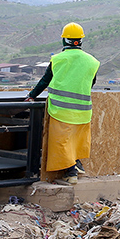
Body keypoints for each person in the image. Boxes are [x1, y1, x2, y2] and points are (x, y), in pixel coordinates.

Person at [27, 22, 100, 184]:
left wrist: (31, 95)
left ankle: (70, 171)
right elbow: (91, 83)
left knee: (62, 142)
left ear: (64, 40)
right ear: (80, 40)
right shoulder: (92, 61)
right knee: (77, 141)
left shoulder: (58, 59)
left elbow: (45, 80)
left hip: (61, 110)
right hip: (82, 111)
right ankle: (76, 164)